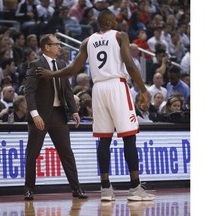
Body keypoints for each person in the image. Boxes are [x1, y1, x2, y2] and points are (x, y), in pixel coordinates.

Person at [36, 10, 155, 202]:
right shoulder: (120, 36)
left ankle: (106, 188)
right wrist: (143, 90)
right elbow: (130, 65)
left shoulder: (87, 41)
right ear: (109, 21)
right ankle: (135, 188)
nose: (117, 23)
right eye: (115, 20)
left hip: (98, 89)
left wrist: (52, 74)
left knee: (104, 140)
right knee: (129, 137)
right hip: (116, 85)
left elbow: (73, 69)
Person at [24, 33, 88, 200]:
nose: (60, 47)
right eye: (57, 44)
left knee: (67, 154)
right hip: (41, 117)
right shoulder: (35, 64)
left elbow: (67, 90)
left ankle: (76, 188)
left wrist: (74, 110)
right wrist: (35, 114)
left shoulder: (61, 63)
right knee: (32, 154)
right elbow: (29, 92)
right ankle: (29, 189)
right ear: (47, 47)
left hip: (59, 115)